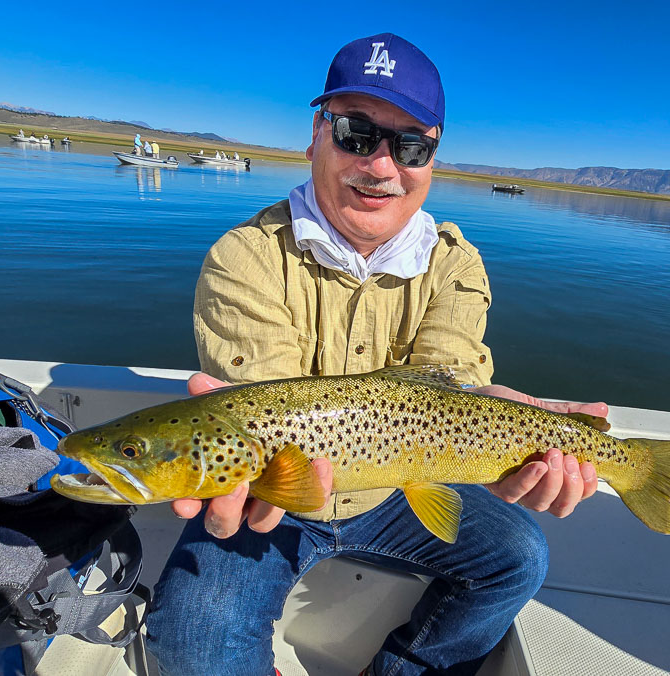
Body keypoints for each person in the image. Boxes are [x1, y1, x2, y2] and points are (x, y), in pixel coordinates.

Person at [146, 33, 607, 676]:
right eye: (358, 135)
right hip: (277, 497)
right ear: (317, 135)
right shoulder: (243, 257)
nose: (382, 167)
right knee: (189, 644)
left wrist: (504, 442)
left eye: (411, 145)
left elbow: (452, 391)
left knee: (520, 558)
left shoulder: (455, 264)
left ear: (432, 158)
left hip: (401, 486)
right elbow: (275, 422)